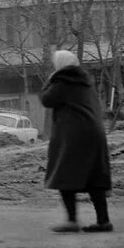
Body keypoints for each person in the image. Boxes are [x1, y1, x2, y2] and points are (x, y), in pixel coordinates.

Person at [40, 50, 113, 233]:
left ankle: (72, 220)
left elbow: (46, 99)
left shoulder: (63, 80)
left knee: (65, 175)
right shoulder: (85, 80)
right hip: (94, 133)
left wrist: (50, 79)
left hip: (74, 136)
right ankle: (103, 221)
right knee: (94, 178)